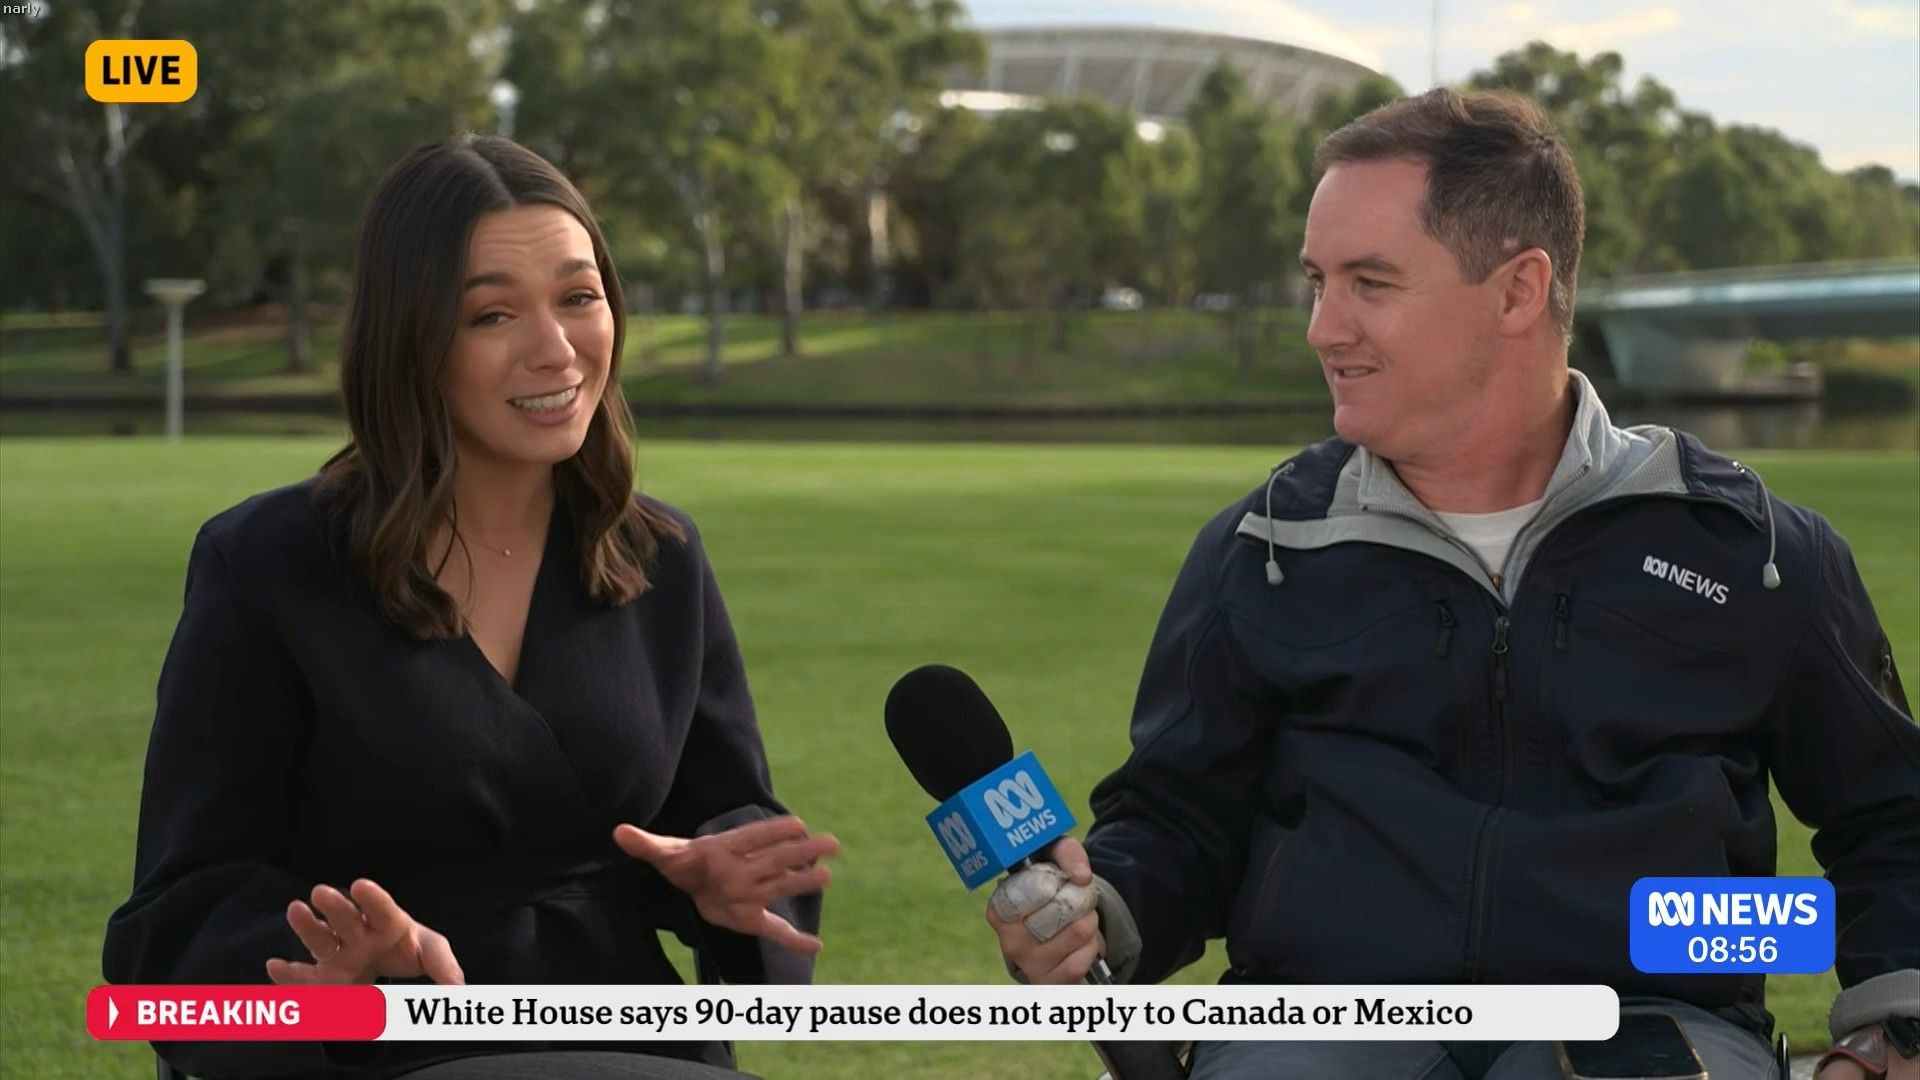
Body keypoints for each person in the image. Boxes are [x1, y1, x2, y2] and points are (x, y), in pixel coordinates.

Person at [987, 89, 1920, 1079]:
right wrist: (1101, 907)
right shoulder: (1264, 548)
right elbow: (1177, 821)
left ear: (1518, 292)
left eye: (1370, 283)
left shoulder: (1754, 552)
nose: (1323, 328)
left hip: (1646, 1022)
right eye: (1318, 282)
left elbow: (1892, 821)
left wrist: (1894, 1029)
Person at [102, 134, 838, 1080]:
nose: (556, 349)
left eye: (579, 298)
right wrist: (324, 976)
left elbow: (727, 813)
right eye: (492, 315)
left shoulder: (660, 557)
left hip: (630, 1045)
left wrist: (728, 877)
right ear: (409, 341)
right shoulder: (267, 565)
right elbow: (178, 912)